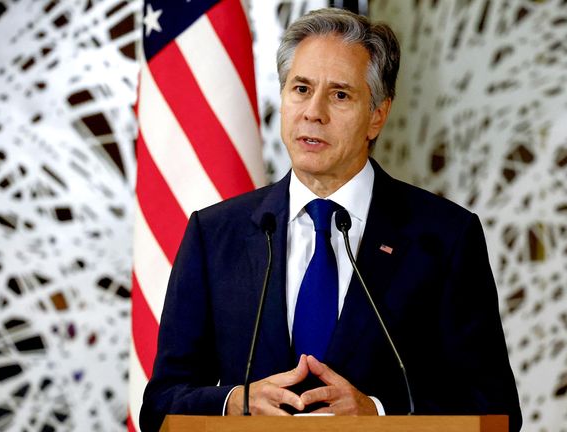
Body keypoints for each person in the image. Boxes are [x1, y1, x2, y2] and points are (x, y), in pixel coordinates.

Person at [140, 7, 522, 432]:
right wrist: (233, 402)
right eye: (300, 89)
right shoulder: (215, 235)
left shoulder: (444, 237)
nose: (313, 112)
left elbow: (495, 409)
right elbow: (160, 403)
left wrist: (377, 412)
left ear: (377, 115)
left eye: (340, 95)